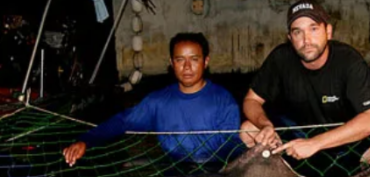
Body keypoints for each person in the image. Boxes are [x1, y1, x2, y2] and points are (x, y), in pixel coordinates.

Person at [239, 1, 370, 172]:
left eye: (313, 29)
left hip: (348, 139)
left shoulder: (349, 61)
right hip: (298, 137)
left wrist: (315, 143)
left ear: (328, 32)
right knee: (248, 130)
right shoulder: (280, 58)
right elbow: (251, 100)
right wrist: (265, 124)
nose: (306, 40)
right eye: (298, 32)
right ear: (290, 38)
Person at [62, 32, 241, 169]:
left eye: (194, 59)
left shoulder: (224, 101)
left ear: (206, 61)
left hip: (214, 173)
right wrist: (86, 140)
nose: (187, 67)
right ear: (172, 63)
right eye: (180, 60)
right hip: (173, 172)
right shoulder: (158, 102)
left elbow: (234, 148)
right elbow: (122, 122)